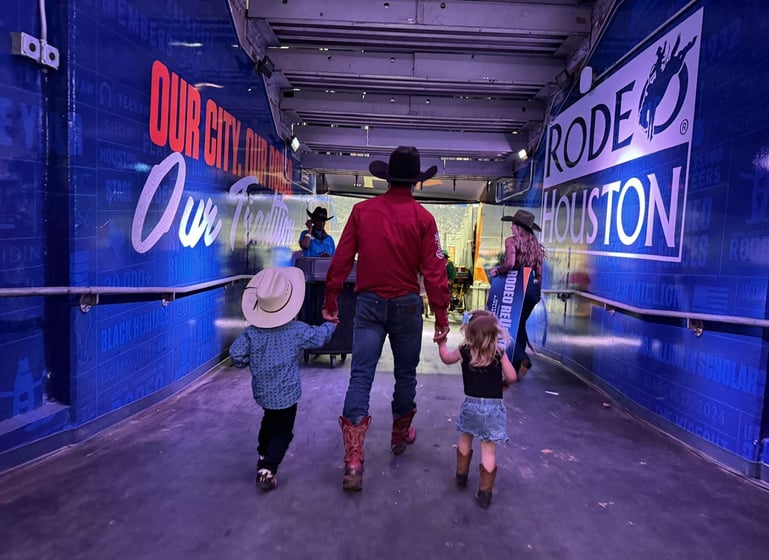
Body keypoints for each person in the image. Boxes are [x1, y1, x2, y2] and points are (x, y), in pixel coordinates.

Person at [322, 146, 451, 492]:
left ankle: (353, 459)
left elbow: (342, 259)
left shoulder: (363, 212)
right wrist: (440, 315)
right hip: (408, 305)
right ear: (415, 183)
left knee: (360, 375)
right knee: (405, 374)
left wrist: (331, 299)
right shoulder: (424, 219)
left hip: (368, 304)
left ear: (388, 177)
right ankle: (397, 437)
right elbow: (435, 271)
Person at [229, 267, 336, 492]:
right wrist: (331, 325)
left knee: (269, 419)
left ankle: (262, 452)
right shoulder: (296, 330)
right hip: (287, 394)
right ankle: (267, 468)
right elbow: (318, 338)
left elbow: (236, 354)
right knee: (283, 430)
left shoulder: (252, 332)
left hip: (263, 391)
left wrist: (251, 362)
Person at [437, 309, 517, 508]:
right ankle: (485, 493)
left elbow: (446, 358)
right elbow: (512, 377)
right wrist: (504, 383)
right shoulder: (499, 353)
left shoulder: (464, 350)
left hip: (470, 405)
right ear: (494, 332)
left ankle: (461, 476)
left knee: (465, 438)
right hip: (493, 408)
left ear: (469, 331)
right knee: (488, 450)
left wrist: (441, 343)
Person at [489, 209, 546, 379]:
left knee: (510, 324)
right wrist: (537, 293)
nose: (511, 228)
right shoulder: (536, 245)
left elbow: (510, 263)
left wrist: (497, 270)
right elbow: (540, 272)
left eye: (512, 225)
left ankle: (522, 358)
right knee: (520, 323)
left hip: (517, 287)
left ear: (518, 227)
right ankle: (515, 364)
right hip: (533, 289)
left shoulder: (511, 241)